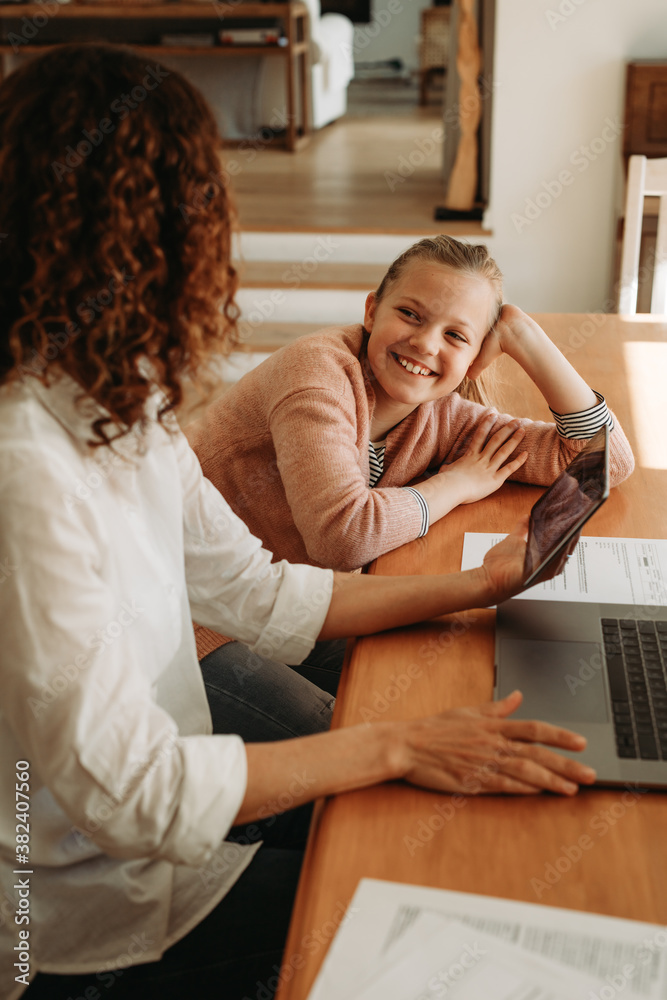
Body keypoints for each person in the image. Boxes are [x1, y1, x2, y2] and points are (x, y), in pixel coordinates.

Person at [0, 44, 597, 1000]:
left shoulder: (121, 403)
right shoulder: (25, 463)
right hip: (68, 926)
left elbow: (259, 590)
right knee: (441, 900)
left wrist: (483, 586)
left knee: (441, 826)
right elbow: (125, 795)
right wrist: (399, 745)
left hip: (155, 843)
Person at [186, 238, 635, 688]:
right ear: (371, 311)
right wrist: (453, 486)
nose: (424, 343)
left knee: (448, 674)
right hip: (195, 617)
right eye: (410, 315)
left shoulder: (439, 414)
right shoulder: (316, 376)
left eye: (455, 335)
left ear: (476, 357)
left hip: (301, 604)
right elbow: (341, 537)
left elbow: (602, 461)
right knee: (358, 730)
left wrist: (524, 336)